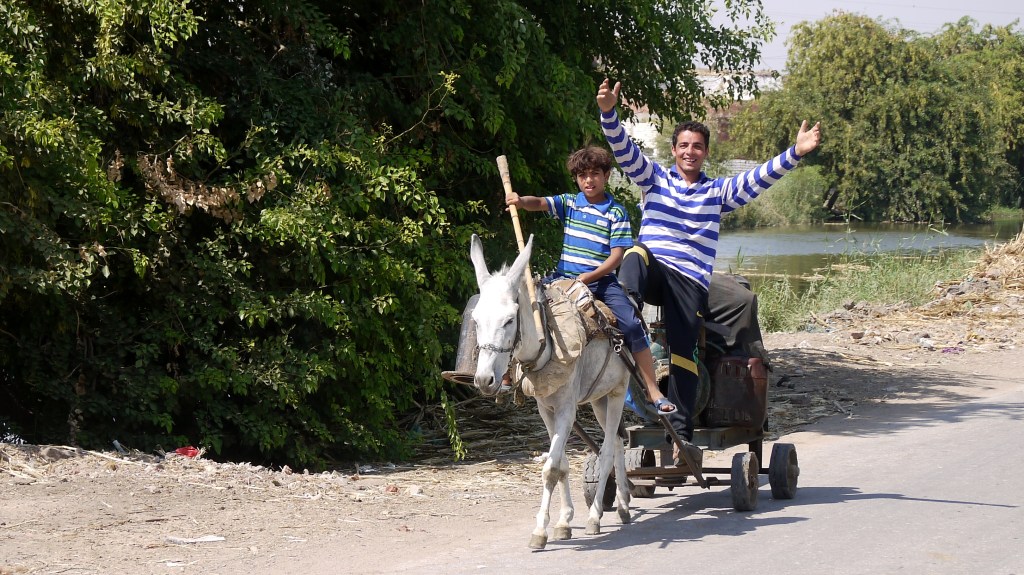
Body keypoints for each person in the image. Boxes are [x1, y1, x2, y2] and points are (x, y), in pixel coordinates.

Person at [596, 78, 821, 448]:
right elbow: (623, 150)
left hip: (689, 282)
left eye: (697, 147)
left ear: (705, 153)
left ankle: (681, 434)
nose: (690, 152)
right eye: (683, 145)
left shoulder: (718, 192)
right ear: (673, 150)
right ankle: (625, 313)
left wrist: (794, 153)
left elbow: (758, 178)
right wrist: (608, 112)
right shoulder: (653, 179)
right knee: (635, 253)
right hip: (654, 270)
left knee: (684, 356)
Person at [504, 145, 676, 414]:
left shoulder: (616, 212)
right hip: (563, 279)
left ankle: (653, 391)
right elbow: (539, 203)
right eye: (582, 175)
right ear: (576, 178)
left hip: (601, 282)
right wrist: (519, 201)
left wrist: (590, 276)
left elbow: (617, 256)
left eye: (595, 173)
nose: (588, 180)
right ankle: (507, 372)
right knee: (523, 309)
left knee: (631, 324)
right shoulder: (570, 203)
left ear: (606, 175)